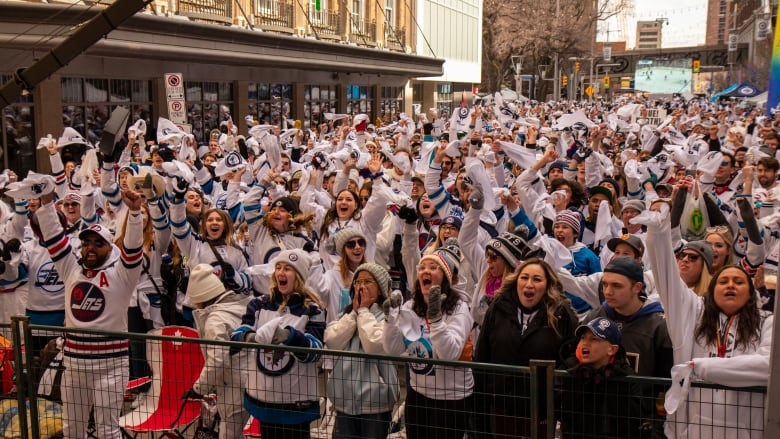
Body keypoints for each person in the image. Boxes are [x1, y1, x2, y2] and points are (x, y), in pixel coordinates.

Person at [638, 201, 772, 438]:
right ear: (712, 290)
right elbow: (668, 279)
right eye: (723, 281)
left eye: (738, 282)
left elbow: (768, 368)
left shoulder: (765, 322)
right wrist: (658, 235)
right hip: (694, 429)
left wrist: (700, 367)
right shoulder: (696, 314)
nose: (730, 285)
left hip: (747, 432)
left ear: (751, 294)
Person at [35, 187, 144, 439]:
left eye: (98, 243)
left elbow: (133, 250)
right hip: (73, 365)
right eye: (85, 243)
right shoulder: (70, 269)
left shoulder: (122, 275)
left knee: (107, 430)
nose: (90, 248)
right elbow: (53, 237)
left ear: (109, 247)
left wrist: (135, 213)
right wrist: (46, 203)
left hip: (111, 366)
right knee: (72, 429)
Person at [474, 258, 578, 438]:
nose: (529, 284)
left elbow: (570, 358)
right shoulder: (499, 307)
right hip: (502, 404)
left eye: (537, 279)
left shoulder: (561, 314)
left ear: (547, 285)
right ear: (516, 281)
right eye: (524, 278)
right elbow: (483, 352)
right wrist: (483, 395)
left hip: (541, 407)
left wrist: (555, 394)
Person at [382, 238, 474, 439]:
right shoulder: (410, 306)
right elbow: (394, 350)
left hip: (451, 398)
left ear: (446, 278)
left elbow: (450, 354)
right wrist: (389, 321)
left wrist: (435, 319)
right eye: (422, 267)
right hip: (418, 394)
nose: (425, 270)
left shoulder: (460, 308)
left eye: (434, 267)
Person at [231, 249, 325, 439]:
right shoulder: (259, 304)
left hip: (296, 405)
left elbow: (315, 352)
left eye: (288, 269)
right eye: (278, 268)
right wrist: (247, 337)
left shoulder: (313, 310)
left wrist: (290, 337)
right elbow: (236, 335)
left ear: (299, 276)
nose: (281, 273)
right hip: (265, 401)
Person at [324, 263, 399, 439]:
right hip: (344, 402)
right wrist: (354, 314)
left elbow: (374, 345)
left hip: (375, 405)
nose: (361, 286)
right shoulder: (346, 313)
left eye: (368, 282)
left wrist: (364, 310)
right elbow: (332, 341)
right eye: (358, 282)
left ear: (380, 289)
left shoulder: (388, 316)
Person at [184, 264, 251, 439]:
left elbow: (217, 361)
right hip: (252, 381)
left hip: (234, 385)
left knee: (228, 433)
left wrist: (198, 388)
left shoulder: (215, 321)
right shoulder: (240, 305)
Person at [560, 317, 642, 439]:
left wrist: (613, 382)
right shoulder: (569, 369)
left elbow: (633, 421)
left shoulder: (626, 376)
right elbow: (562, 413)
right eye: (583, 338)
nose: (585, 343)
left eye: (594, 339)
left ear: (612, 349)